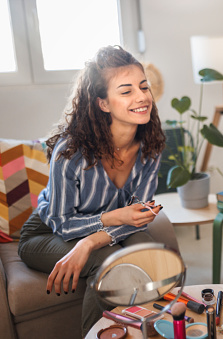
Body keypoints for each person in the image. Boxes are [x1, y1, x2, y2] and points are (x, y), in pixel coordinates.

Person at [17, 45, 179, 336]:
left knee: (156, 258)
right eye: (126, 91)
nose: (142, 97)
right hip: (46, 232)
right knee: (111, 264)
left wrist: (89, 242)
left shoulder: (151, 144)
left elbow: (137, 216)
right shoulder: (71, 152)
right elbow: (63, 223)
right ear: (103, 103)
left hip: (98, 230)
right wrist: (114, 218)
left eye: (144, 87)